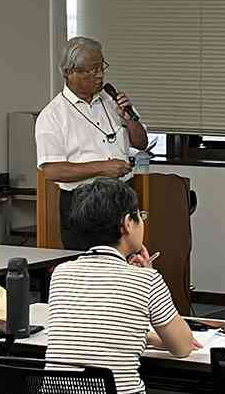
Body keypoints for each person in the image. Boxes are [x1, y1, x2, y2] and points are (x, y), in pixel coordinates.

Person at [44, 178, 198, 394]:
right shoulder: (145, 280)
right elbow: (183, 347)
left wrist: (143, 336)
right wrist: (147, 273)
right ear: (128, 223)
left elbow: (95, 326)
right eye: (140, 216)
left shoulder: (61, 273)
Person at [36, 36, 149, 250]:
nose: (100, 75)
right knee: (88, 269)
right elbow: (53, 171)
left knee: (127, 263)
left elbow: (141, 143)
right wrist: (104, 168)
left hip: (123, 196)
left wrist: (130, 119)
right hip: (82, 203)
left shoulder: (111, 100)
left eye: (101, 67)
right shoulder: (53, 115)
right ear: (70, 72)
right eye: (92, 69)